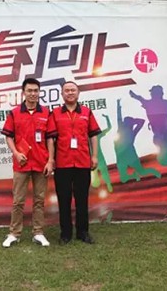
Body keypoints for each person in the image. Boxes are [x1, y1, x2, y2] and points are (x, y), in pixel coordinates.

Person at [1, 78, 53, 248]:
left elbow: (50, 139)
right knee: (18, 201)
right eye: (29, 90)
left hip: (41, 163)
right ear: (23, 92)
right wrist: (16, 153)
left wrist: (50, 160)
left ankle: (38, 233)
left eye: (35, 90)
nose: (33, 94)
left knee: (39, 200)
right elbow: (9, 136)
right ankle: (14, 233)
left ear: (39, 92)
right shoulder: (15, 113)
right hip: (21, 164)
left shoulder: (46, 113)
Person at [47, 81, 101, 245]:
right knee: (63, 200)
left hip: (83, 162)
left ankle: (83, 232)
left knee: (82, 199)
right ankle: (65, 233)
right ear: (62, 94)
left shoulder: (86, 112)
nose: (70, 93)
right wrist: (51, 159)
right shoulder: (55, 113)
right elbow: (50, 138)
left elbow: (93, 135)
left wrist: (94, 156)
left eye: (73, 90)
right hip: (62, 163)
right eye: (67, 90)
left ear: (78, 93)